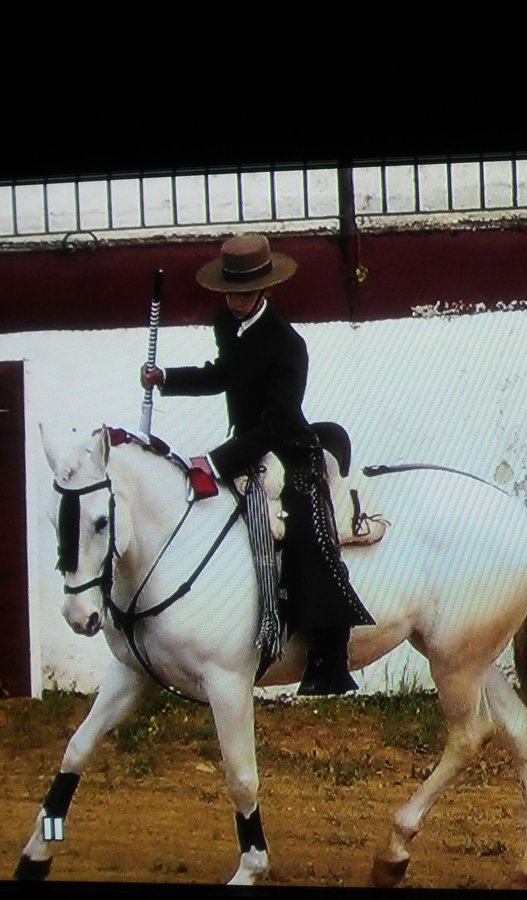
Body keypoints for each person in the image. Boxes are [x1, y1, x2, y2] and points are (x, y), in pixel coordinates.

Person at [140, 233, 373, 696]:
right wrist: (166, 378)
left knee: (308, 535)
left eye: (244, 293)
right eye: (229, 292)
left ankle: (328, 655)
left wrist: (218, 459)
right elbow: (222, 373)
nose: (235, 301)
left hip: (288, 445)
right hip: (245, 444)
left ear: (265, 290)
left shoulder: (289, 345)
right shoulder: (226, 324)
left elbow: (278, 421)